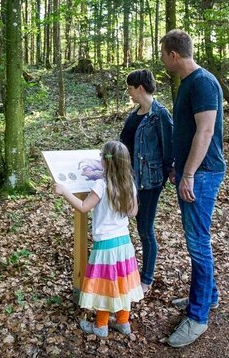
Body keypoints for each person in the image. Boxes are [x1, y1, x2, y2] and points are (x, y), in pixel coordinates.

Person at [159, 29, 226, 348]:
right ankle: (208, 297)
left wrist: (188, 174)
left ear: (174, 55)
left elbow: (206, 130)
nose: (162, 59)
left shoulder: (202, 82)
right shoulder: (188, 83)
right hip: (191, 171)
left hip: (202, 174)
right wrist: (177, 164)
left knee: (198, 244)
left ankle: (198, 317)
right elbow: (186, 133)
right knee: (197, 240)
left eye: (163, 54)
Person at [54, 141, 145, 338]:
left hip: (105, 245)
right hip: (124, 243)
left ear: (104, 161)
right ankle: (123, 322)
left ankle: (100, 326)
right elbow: (133, 212)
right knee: (122, 283)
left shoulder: (101, 185)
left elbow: (84, 207)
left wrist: (64, 191)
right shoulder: (129, 182)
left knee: (106, 285)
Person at [120, 69, 173, 295]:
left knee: (145, 229)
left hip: (149, 182)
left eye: (130, 89)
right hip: (130, 179)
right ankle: (131, 272)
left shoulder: (160, 114)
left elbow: (169, 148)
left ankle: (147, 278)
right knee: (132, 225)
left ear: (140, 88)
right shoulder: (136, 113)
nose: (129, 93)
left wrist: (160, 177)